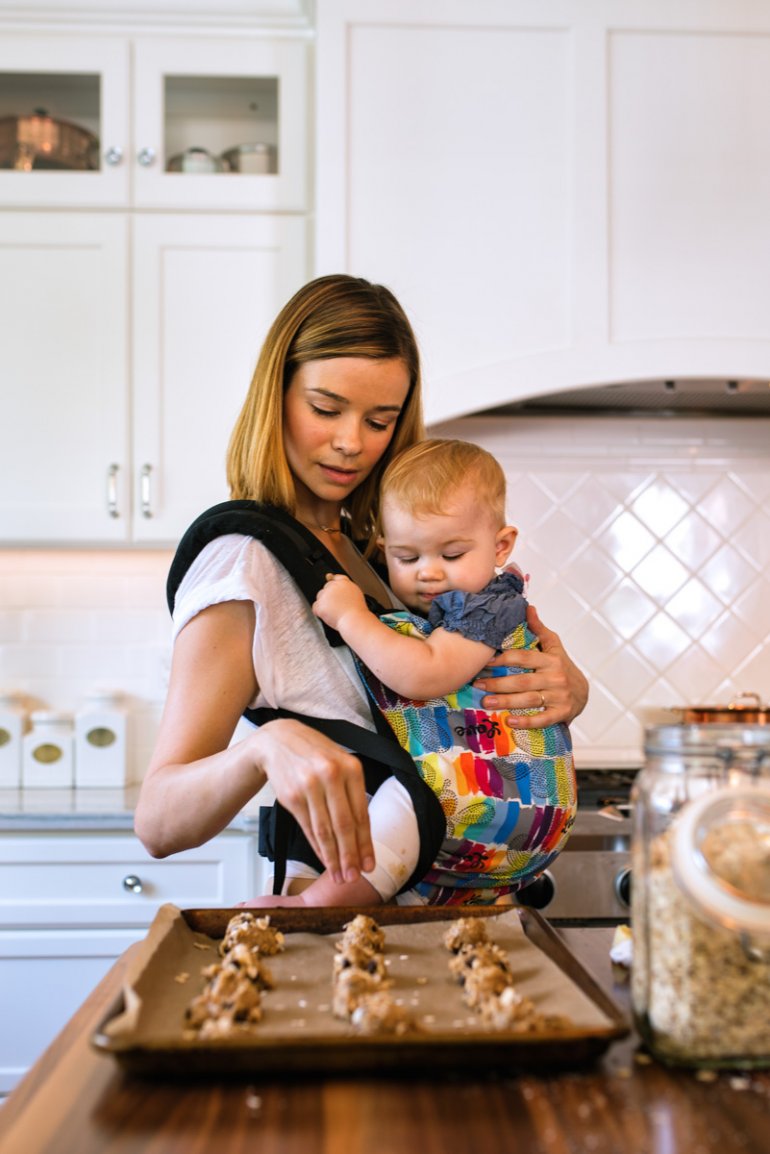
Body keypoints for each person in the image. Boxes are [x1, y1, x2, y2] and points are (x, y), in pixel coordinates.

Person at [134, 274, 588, 898]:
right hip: (339, 939)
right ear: (277, 394)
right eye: (325, 409)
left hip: (434, 932)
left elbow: (447, 693)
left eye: (379, 421)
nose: (351, 443)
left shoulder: (376, 552)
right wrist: (264, 747)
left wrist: (565, 689)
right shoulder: (244, 562)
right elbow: (158, 822)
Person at [253, 438, 576, 908]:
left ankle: (314, 907)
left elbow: (426, 675)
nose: (429, 573)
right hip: (472, 802)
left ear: (500, 545)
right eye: (408, 558)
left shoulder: (487, 605)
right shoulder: (433, 607)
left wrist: (350, 618)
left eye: (451, 555)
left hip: (501, 794)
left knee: (401, 808)